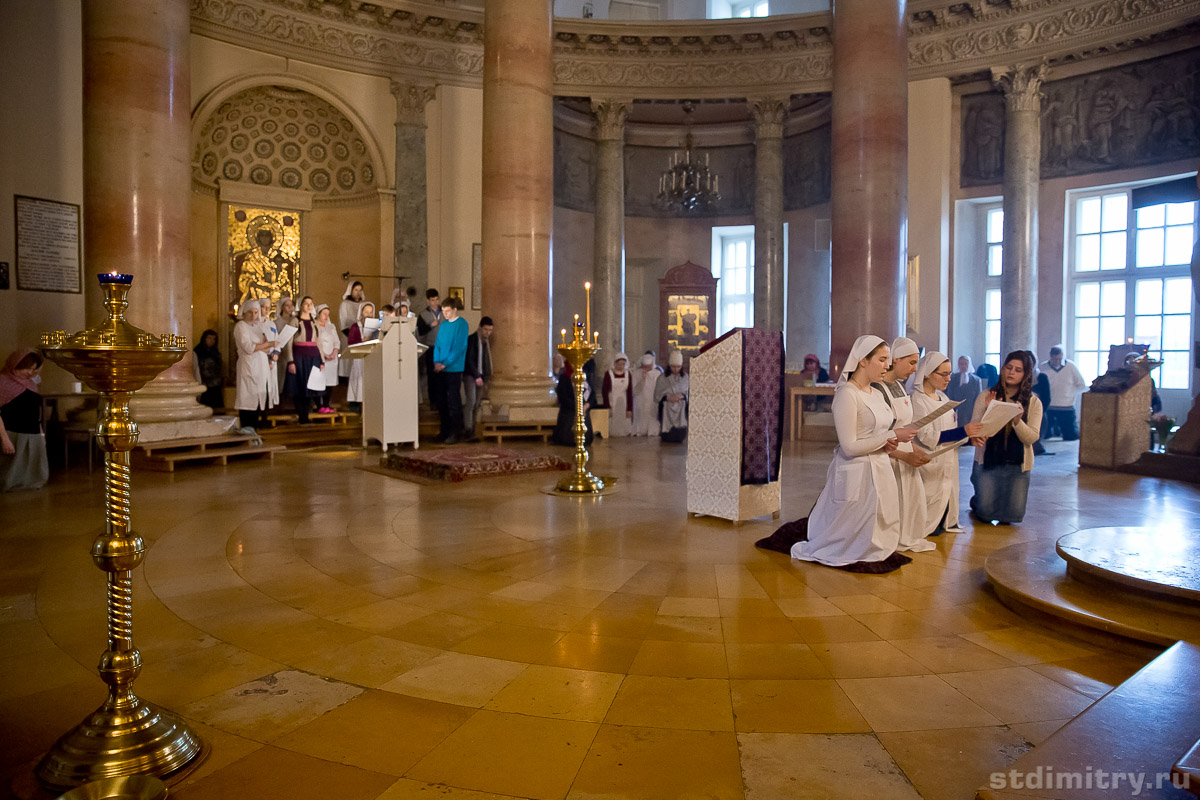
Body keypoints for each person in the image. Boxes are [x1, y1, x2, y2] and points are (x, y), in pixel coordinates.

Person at [788, 336, 918, 573]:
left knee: (880, 525)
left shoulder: (877, 393)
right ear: (862, 361)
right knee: (848, 531)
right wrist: (891, 437)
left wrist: (887, 443)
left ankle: (873, 549)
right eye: (881, 360)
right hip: (856, 470)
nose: (887, 366)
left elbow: (879, 433)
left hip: (879, 467)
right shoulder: (848, 394)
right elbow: (849, 446)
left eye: (888, 360)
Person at [912, 352, 984, 535]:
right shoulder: (917, 400)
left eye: (949, 373)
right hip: (929, 463)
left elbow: (950, 431)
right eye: (943, 374)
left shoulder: (943, 398)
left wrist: (968, 439)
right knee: (928, 520)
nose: (949, 378)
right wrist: (964, 431)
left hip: (947, 462)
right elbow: (927, 437)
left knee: (946, 505)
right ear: (927, 373)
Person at [969, 350, 1044, 525]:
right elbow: (975, 431)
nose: (1011, 372)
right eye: (1009, 368)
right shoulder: (986, 395)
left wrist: (1017, 421)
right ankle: (977, 499)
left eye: (1018, 370)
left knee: (1012, 516)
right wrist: (990, 411)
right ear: (1002, 369)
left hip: (1018, 462)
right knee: (986, 513)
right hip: (988, 459)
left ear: (1025, 375)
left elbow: (1031, 438)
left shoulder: (1033, 402)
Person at [875, 338, 935, 553]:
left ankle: (906, 536)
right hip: (890, 457)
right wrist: (904, 455)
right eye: (911, 362)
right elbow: (878, 435)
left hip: (906, 453)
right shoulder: (877, 388)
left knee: (910, 502)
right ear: (895, 359)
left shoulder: (899, 386)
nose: (914, 369)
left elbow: (905, 425)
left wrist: (914, 448)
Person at [0, 348, 49, 491]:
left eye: (32, 369)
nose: (30, 372)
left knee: (35, 478)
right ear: (16, 365)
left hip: (32, 434)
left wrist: (41, 435)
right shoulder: (3, 382)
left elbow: (34, 413)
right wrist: (5, 440)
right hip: (12, 434)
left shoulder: (31, 384)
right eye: (27, 368)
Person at [431, 295, 468, 443]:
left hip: (453, 368)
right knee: (441, 401)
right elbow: (438, 345)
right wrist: (436, 361)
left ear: (454, 309)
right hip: (441, 368)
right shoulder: (444, 325)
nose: (445, 314)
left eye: (447, 311)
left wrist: (445, 363)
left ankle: (456, 432)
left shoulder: (461, 324)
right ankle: (444, 431)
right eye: (443, 311)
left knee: (453, 401)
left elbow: (459, 347)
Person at [233, 304, 276, 429]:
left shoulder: (258, 327)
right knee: (247, 399)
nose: (253, 316)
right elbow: (248, 347)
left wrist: (267, 345)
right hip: (248, 365)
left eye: (256, 312)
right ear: (244, 313)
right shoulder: (241, 326)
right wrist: (266, 345)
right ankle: (247, 430)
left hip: (261, 368)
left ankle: (255, 429)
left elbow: (267, 349)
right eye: (250, 312)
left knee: (258, 399)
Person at [285, 296, 321, 424]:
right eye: (306, 304)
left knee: (311, 387)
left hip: (313, 357)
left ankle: (307, 414)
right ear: (301, 306)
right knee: (300, 387)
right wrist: (290, 360)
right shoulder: (294, 321)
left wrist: (321, 360)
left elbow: (318, 342)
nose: (309, 306)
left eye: (311, 304)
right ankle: (302, 416)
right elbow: (289, 342)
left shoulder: (314, 322)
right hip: (299, 356)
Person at [1040, 345, 1087, 440]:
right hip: (1049, 406)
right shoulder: (1043, 367)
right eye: (1055, 359)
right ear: (1050, 357)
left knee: (1071, 436)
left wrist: (1070, 393)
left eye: (1060, 359)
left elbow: (1081, 384)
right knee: (1045, 435)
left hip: (1067, 406)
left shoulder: (1071, 366)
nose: (1057, 362)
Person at [463, 316, 493, 439]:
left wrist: (484, 377)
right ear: (480, 327)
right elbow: (469, 359)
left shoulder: (485, 342)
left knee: (477, 404)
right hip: (470, 374)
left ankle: (473, 430)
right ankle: (468, 430)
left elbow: (485, 361)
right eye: (486, 329)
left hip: (481, 375)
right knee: (471, 401)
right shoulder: (472, 339)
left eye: (490, 330)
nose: (488, 333)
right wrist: (476, 376)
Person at [553, 359, 594, 447]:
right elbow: (563, 398)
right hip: (570, 413)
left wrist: (586, 405)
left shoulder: (585, 376)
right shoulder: (564, 378)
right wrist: (578, 407)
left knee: (585, 439)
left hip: (584, 410)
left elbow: (592, 394)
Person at [346, 301, 377, 413]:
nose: (368, 314)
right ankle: (356, 403)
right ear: (361, 312)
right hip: (359, 357)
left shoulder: (376, 325)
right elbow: (351, 342)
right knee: (358, 379)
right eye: (366, 311)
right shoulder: (355, 326)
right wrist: (362, 341)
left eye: (370, 312)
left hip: (372, 357)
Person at [654, 350, 689, 443]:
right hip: (666, 407)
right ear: (669, 366)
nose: (676, 369)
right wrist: (667, 397)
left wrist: (682, 396)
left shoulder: (685, 378)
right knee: (667, 437)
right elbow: (657, 395)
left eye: (678, 367)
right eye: (673, 366)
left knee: (679, 436)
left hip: (681, 408)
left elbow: (689, 393)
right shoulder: (662, 378)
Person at [417, 288, 443, 408]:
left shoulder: (444, 311)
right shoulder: (423, 314)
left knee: (443, 375)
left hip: (443, 347)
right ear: (428, 301)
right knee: (432, 375)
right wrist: (430, 325)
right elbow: (421, 331)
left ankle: (442, 399)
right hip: (431, 347)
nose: (435, 303)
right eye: (432, 300)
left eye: (437, 300)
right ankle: (433, 401)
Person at [313, 304, 340, 413]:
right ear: (318, 314)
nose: (326, 316)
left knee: (329, 383)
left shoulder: (331, 326)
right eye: (324, 314)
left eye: (328, 314)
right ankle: (319, 405)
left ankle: (326, 404)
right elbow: (315, 342)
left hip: (332, 359)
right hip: (320, 357)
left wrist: (334, 352)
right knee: (319, 382)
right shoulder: (314, 326)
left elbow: (337, 341)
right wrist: (323, 355)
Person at [601, 353, 633, 437]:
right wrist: (608, 406)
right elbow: (604, 391)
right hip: (612, 401)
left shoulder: (627, 374)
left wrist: (629, 409)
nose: (621, 366)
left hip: (624, 402)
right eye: (619, 364)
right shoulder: (609, 374)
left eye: (623, 364)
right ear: (615, 363)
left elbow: (629, 392)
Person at [337, 280, 364, 383]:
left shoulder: (363, 304)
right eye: (356, 290)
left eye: (360, 290)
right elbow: (342, 323)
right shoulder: (345, 304)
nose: (358, 292)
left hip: (361, 338)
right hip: (348, 337)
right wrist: (353, 336)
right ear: (351, 291)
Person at [257, 297, 281, 413]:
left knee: (269, 388)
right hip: (260, 360)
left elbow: (277, 341)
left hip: (272, 360)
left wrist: (275, 354)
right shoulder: (255, 325)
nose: (267, 310)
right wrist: (267, 359)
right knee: (260, 388)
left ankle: (266, 414)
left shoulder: (271, 324)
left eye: (268, 308)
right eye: (264, 307)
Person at [631, 352, 662, 436]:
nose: (647, 369)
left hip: (653, 400)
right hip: (640, 400)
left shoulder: (657, 374)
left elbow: (659, 389)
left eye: (648, 367)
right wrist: (642, 380)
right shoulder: (636, 373)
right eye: (645, 367)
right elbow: (634, 390)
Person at [192, 329, 224, 410]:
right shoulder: (198, 351)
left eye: (214, 339)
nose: (211, 341)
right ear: (204, 338)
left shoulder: (215, 352)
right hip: (204, 384)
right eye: (209, 338)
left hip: (215, 385)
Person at [275, 296, 297, 399]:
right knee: (281, 376)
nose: (290, 308)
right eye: (287, 306)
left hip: (294, 352)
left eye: (291, 305)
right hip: (282, 354)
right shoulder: (277, 323)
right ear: (282, 307)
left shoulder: (295, 320)